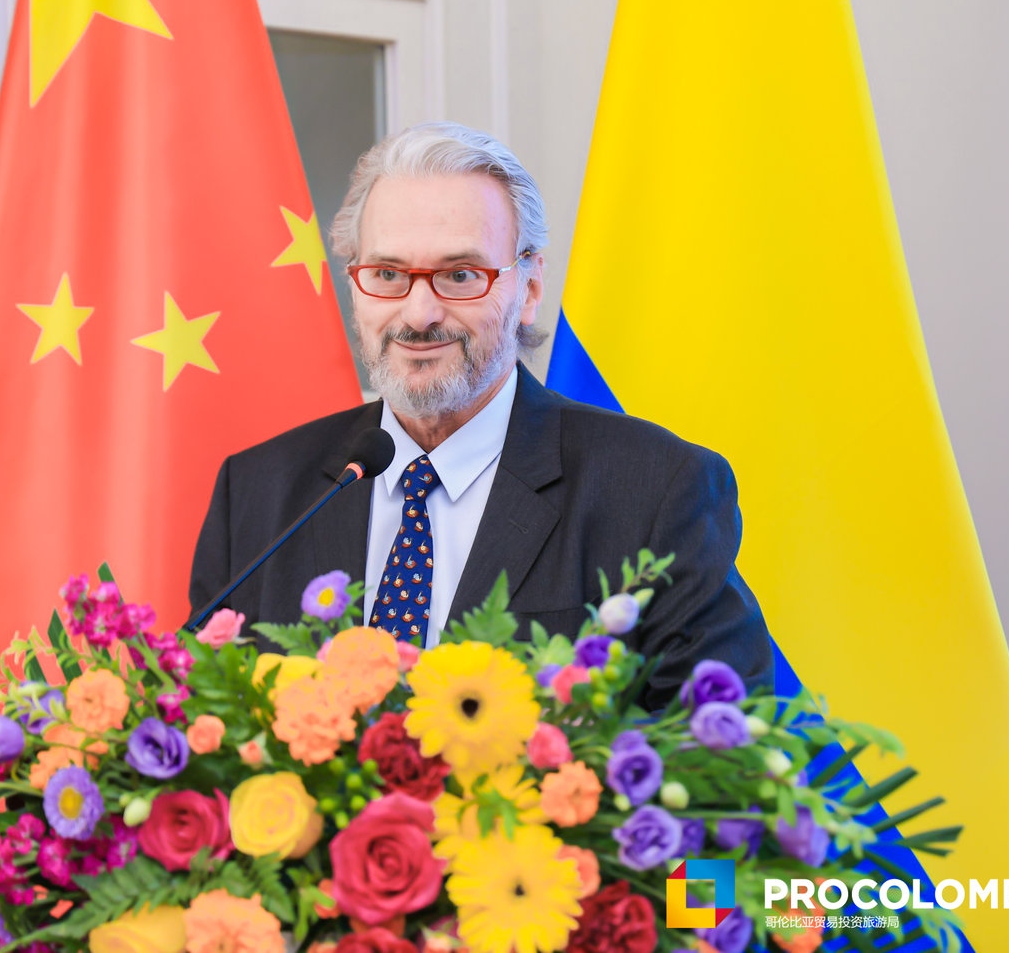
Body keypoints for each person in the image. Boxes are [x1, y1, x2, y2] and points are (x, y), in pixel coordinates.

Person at [188, 122, 772, 703]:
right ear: (355, 286)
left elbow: (721, 758)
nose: (418, 314)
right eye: (388, 274)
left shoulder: (656, 492)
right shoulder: (259, 491)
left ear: (530, 288)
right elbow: (197, 724)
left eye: (460, 275)